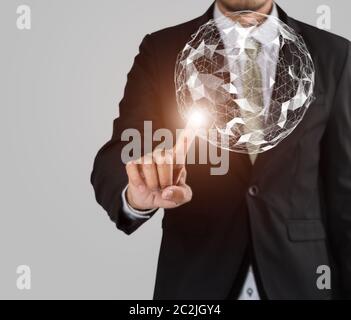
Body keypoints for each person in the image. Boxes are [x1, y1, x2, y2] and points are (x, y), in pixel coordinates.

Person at [91, 0, 351, 299]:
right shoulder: (162, 49)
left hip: (302, 280)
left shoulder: (333, 54)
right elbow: (126, 148)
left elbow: (344, 192)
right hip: (198, 280)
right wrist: (137, 191)